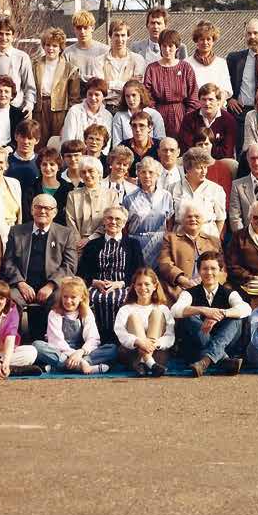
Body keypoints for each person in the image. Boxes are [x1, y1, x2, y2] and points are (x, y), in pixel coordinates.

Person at [0, 193, 78, 341]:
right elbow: (8, 262)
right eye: (38, 207)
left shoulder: (65, 234)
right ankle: (12, 341)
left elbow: (70, 265)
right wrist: (21, 283)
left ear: (54, 212)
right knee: (9, 298)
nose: (42, 211)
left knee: (59, 298)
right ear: (31, 210)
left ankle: (51, 342)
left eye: (47, 208)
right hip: (22, 284)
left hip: (52, 285)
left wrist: (50, 285)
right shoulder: (17, 231)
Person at [172, 251, 251, 377]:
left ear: (220, 270)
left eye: (213, 268)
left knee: (237, 319)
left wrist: (222, 314)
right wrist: (203, 310)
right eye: (205, 268)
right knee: (189, 316)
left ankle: (205, 362)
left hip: (225, 343)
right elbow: (175, 310)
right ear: (199, 271)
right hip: (197, 347)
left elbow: (246, 309)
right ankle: (224, 360)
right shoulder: (189, 293)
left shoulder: (229, 293)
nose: (209, 272)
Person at [79, 205, 144, 338]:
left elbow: (139, 271)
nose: (113, 222)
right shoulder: (93, 245)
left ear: (124, 223)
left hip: (124, 286)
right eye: (109, 218)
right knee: (88, 299)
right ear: (104, 221)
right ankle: (93, 339)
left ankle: (121, 340)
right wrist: (95, 282)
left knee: (122, 299)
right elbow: (82, 271)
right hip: (96, 286)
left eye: (118, 219)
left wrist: (120, 284)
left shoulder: (133, 244)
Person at [113, 267, 174, 377]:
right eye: (139, 284)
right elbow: (120, 333)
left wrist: (156, 343)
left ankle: (144, 362)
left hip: (156, 352)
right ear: (134, 286)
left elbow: (170, 335)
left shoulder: (163, 308)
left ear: (155, 286)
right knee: (134, 317)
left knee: (157, 313)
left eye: (147, 284)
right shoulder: (126, 309)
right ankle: (150, 363)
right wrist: (138, 342)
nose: (143, 288)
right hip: (133, 352)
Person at [157, 199, 222, 301]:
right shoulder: (170, 238)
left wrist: (207, 281)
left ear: (203, 219)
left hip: (210, 288)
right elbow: (165, 264)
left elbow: (223, 269)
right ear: (182, 219)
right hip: (180, 288)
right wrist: (183, 280)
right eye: (189, 216)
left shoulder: (213, 241)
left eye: (197, 216)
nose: (193, 219)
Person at [142, 29, 198, 138]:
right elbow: (147, 96)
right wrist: (154, 115)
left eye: (171, 46)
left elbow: (193, 95)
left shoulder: (186, 68)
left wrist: (188, 118)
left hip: (181, 115)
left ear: (177, 47)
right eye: (164, 46)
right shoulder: (152, 69)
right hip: (158, 114)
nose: (167, 50)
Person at [31, 27, 81, 144]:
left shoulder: (70, 69)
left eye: (55, 46)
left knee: (57, 143)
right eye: (48, 45)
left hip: (60, 112)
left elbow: (74, 99)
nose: (51, 49)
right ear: (43, 46)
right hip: (39, 109)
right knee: (39, 143)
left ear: (60, 48)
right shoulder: (35, 65)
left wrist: (68, 121)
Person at [123, 157, 173, 267]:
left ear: (157, 175)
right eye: (143, 172)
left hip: (160, 243)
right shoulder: (129, 198)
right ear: (138, 175)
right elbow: (124, 226)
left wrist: (167, 241)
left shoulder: (166, 196)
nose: (147, 176)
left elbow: (170, 222)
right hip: (136, 243)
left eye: (151, 172)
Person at [169, 148, 226, 239]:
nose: (204, 172)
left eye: (206, 167)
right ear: (188, 168)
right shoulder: (173, 188)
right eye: (199, 168)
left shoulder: (216, 189)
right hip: (180, 240)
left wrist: (214, 241)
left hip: (208, 239)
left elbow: (220, 219)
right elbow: (169, 220)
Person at [226, 18, 258, 117]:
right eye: (249, 34)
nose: (252, 37)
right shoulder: (234, 59)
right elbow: (224, 81)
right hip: (240, 112)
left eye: (255, 33)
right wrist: (229, 99)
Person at [177, 83, 238, 159]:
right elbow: (185, 148)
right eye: (204, 99)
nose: (207, 103)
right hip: (195, 162)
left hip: (220, 162)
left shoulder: (229, 120)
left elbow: (227, 152)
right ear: (199, 100)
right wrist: (209, 150)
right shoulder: (189, 119)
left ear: (218, 101)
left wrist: (204, 149)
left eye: (210, 99)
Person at [98, 19, 147, 109]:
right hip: (106, 107)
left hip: (130, 108)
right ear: (110, 36)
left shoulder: (138, 59)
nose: (120, 39)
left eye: (123, 35)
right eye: (116, 35)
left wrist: (109, 84)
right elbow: (100, 89)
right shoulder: (99, 61)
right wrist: (128, 82)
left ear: (128, 36)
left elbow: (137, 89)